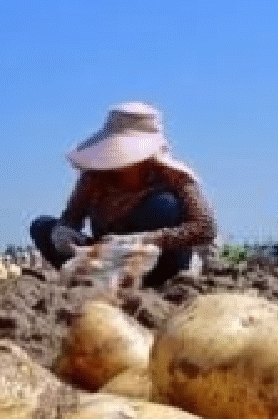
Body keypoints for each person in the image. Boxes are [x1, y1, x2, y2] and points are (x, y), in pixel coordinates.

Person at [28, 102, 218, 288]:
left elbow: (205, 227)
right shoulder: (94, 177)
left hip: (156, 261)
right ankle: (91, 277)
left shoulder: (175, 178)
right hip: (106, 258)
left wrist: (144, 239)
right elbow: (72, 217)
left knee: (163, 205)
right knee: (42, 226)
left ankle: (154, 281)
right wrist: (64, 232)